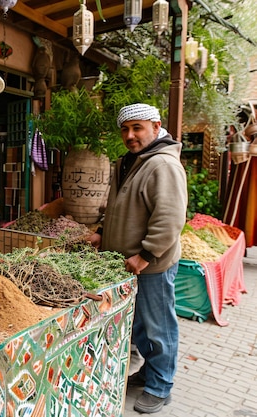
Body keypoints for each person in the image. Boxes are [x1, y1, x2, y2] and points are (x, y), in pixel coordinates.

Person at [88, 103, 187, 414]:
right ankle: (149, 372)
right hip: (126, 264)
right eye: (125, 129)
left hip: (152, 266)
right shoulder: (129, 162)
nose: (130, 135)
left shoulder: (163, 166)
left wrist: (145, 255)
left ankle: (161, 387)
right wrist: (103, 232)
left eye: (138, 128)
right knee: (142, 327)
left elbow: (169, 218)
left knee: (159, 326)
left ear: (156, 128)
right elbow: (120, 206)